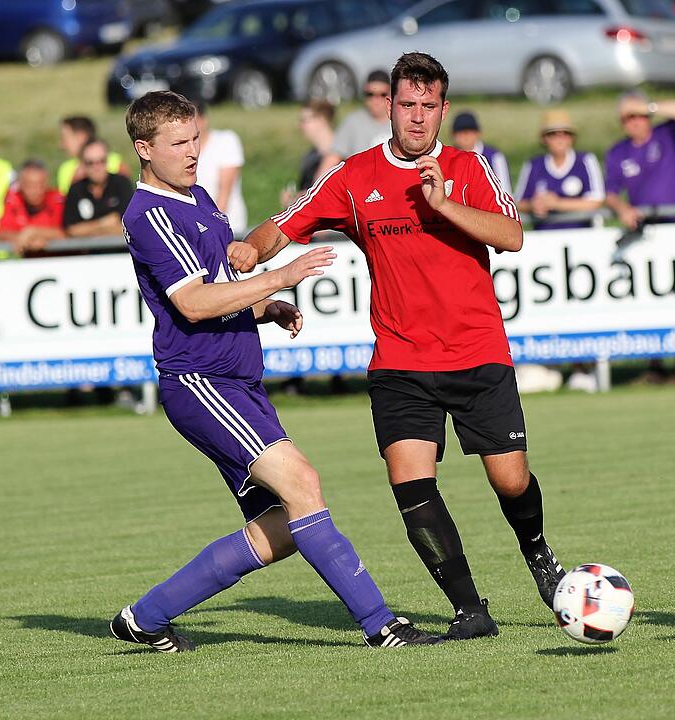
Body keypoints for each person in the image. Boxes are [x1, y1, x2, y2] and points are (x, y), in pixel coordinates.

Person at [234, 52, 566, 640]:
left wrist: (442, 204)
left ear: (442, 109)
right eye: (406, 105)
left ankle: (537, 552)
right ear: (388, 105)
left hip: (477, 352)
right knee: (411, 488)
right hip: (400, 360)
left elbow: (512, 236)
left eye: (428, 106)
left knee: (510, 480)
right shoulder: (355, 176)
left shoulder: (469, 167)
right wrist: (250, 251)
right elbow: (287, 223)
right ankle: (471, 611)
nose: (416, 118)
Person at [110, 90, 440, 652]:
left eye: (196, 139)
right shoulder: (151, 214)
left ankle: (146, 616)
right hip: (203, 382)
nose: (192, 153)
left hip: (236, 382)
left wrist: (265, 308)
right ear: (144, 149)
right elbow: (193, 303)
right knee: (304, 484)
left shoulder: (198, 199)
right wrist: (278, 277)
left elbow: (221, 291)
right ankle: (382, 624)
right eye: (178, 144)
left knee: (284, 528)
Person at [605, 93, 675, 230]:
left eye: (639, 116)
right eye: (628, 118)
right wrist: (623, 209)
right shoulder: (618, 152)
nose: (634, 122)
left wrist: (648, 107)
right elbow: (610, 192)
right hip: (647, 226)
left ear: (648, 116)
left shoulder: (665, 134)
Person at [515, 109, 605, 230]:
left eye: (565, 133)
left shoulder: (585, 160)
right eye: (552, 134)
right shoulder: (533, 165)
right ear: (543, 139)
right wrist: (534, 205)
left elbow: (596, 200)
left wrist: (557, 204)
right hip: (544, 235)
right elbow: (517, 203)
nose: (560, 138)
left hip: (581, 235)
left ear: (572, 137)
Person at [319, 70, 392, 175]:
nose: (376, 99)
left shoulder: (399, 122)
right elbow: (332, 159)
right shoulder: (353, 122)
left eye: (382, 94)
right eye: (370, 94)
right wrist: (314, 189)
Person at [63, 139, 134, 240]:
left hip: (120, 252)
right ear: (82, 164)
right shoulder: (76, 190)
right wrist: (103, 223)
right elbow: (71, 230)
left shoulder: (122, 184)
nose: (97, 167)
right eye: (90, 163)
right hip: (87, 254)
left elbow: (128, 226)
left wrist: (87, 229)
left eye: (101, 161)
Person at [194, 101, 247, 235]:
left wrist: (211, 229)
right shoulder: (182, 151)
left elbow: (224, 192)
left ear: (203, 119)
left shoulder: (226, 141)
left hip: (227, 228)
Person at [0, 160, 66, 256]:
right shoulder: (13, 200)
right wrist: (26, 240)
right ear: (20, 184)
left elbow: (66, 233)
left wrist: (32, 232)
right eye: (30, 185)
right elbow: (1, 233)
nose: (36, 190)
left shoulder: (58, 200)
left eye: (40, 184)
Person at [281, 100, 336, 208]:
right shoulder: (310, 156)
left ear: (321, 120)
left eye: (304, 121)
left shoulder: (342, 155)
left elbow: (322, 196)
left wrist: (295, 199)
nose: (299, 126)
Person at [56, 115, 128, 194]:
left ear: (81, 136)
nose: (61, 145)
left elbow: (126, 193)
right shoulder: (65, 169)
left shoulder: (116, 162)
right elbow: (69, 201)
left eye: (64, 138)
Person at [451, 111, 512, 192]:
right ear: (453, 135)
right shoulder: (449, 158)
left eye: (469, 132)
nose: (465, 137)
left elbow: (505, 191)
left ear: (478, 133)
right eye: (460, 133)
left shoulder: (494, 157)